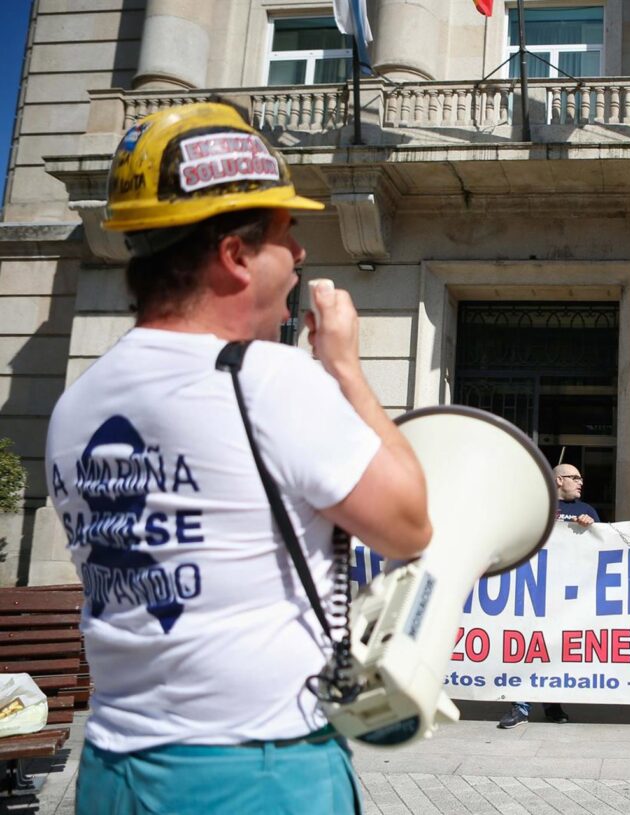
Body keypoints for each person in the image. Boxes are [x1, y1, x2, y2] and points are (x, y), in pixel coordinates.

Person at [43, 102, 432, 813]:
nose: (302, 256)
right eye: (287, 234)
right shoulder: (269, 379)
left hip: (113, 770)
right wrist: (344, 366)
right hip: (256, 773)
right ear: (234, 256)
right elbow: (408, 522)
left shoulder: (78, 402)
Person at [498, 463, 598, 729]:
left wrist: (589, 528)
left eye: (581, 478)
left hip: (566, 596)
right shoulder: (536, 509)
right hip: (534, 594)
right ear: (558, 480)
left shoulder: (587, 511)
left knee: (555, 650)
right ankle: (520, 706)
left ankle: (552, 703)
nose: (581, 482)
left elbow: (600, 548)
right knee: (528, 648)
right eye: (575, 478)